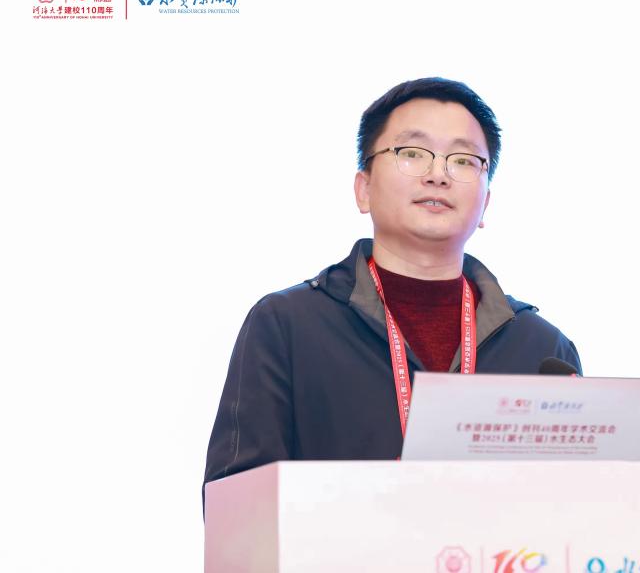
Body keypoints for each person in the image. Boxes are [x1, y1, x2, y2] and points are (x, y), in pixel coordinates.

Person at [203, 77, 581, 491]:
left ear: (486, 202)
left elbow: (581, 505)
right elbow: (236, 506)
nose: (438, 175)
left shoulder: (543, 350)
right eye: (412, 153)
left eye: (463, 160)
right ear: (364, 189)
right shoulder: (287, 326)